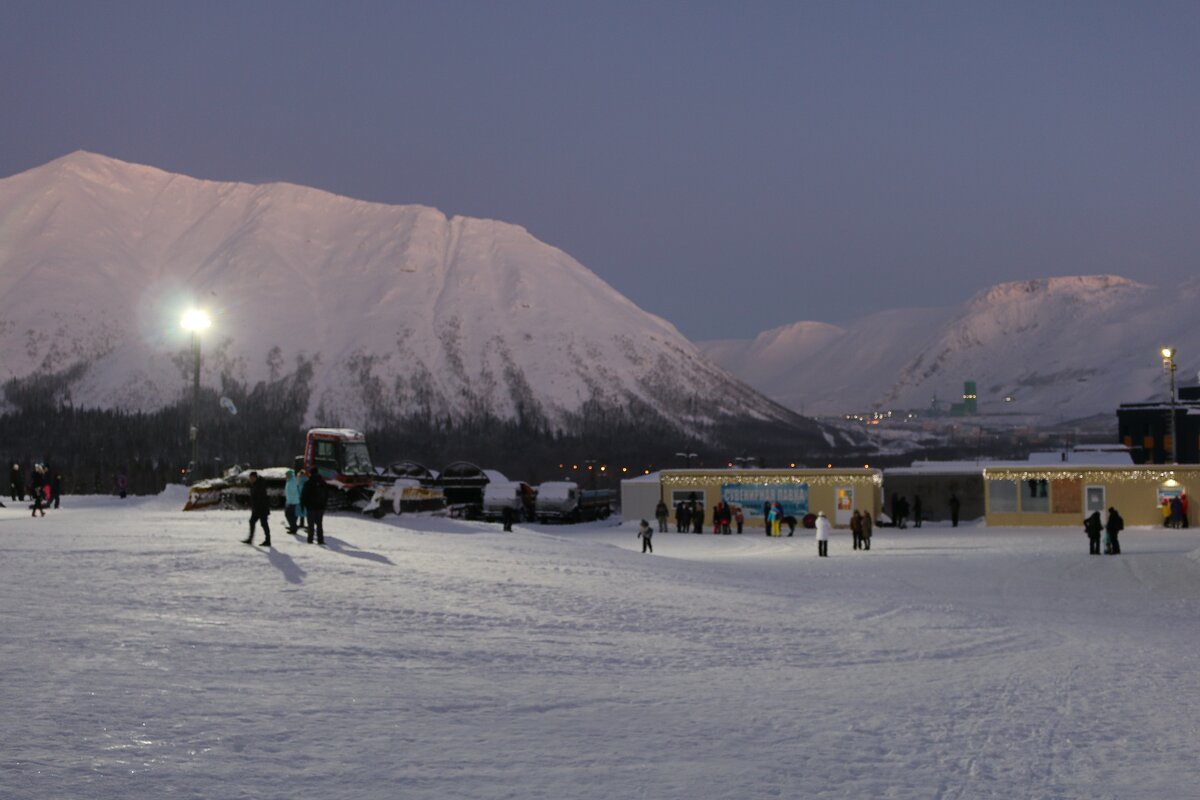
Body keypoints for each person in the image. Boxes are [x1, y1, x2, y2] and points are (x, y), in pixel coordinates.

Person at [243, 471, 271, 547]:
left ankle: (268, 540)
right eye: (250, 478)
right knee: (252, 522)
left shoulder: (260, 484)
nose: (250, 479)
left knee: (264, 524)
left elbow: (260, 497)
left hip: (262, 508)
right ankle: (250, 539)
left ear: (255, 477)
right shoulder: (253, 484)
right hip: (256, 508)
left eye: (252, 478)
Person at [301, 468, 328, 545]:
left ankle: (310, 539)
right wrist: (324, 504)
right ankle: (320, 540)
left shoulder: (308, 483)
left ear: (310, 473)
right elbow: (326, 494)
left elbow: (304, 495)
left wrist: (303, 505)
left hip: (310, 507)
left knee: (310, 524)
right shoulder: (322, 482)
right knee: (319, 524)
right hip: (320, 507)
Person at [283, 469, 301, 534]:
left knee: (289, 515)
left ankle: (293, 528)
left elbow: (292, 492)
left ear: (290, 475)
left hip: (293, 501)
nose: (286, 476)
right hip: (291, 501)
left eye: (287, 475)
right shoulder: (290, 481)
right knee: (292, 515)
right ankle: (293, 527)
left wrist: (289, 501)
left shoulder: (292, 481)